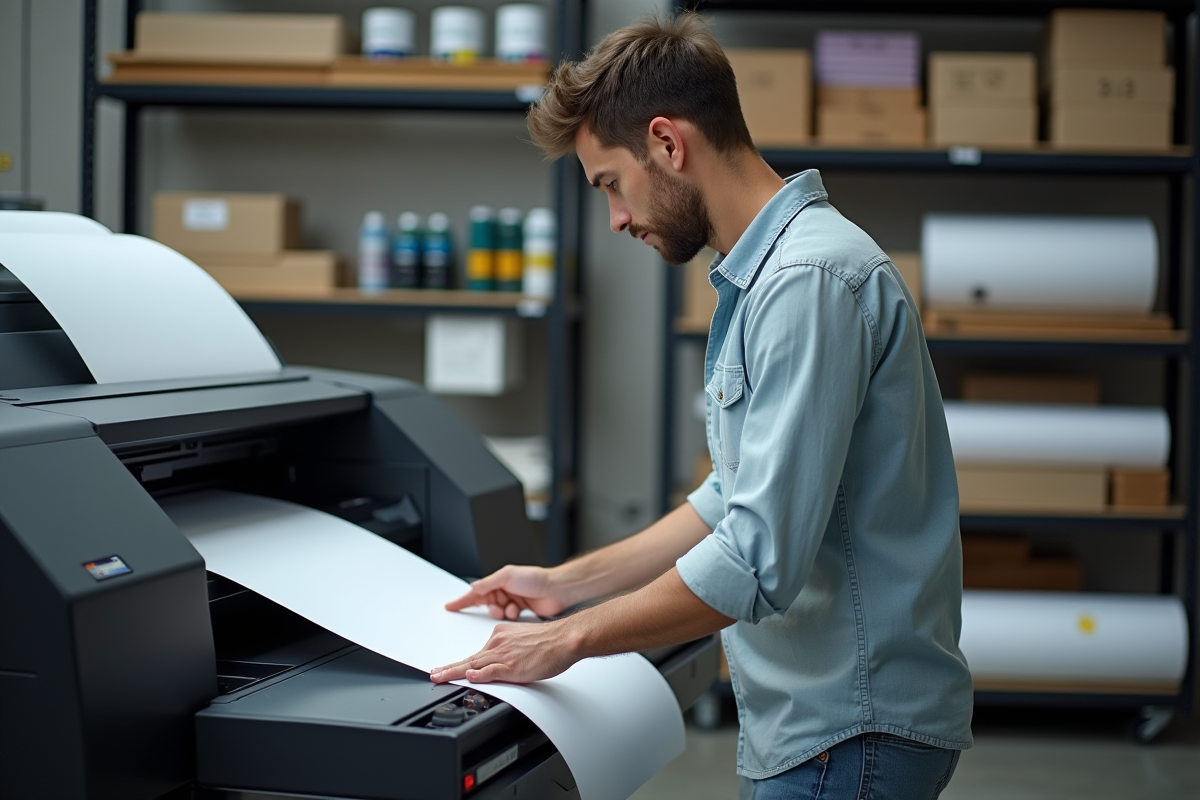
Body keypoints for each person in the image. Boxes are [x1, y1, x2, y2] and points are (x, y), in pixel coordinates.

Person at [431, 13, 973, 798]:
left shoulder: (806, 282)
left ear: (667, 143)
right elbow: (730, 498)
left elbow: (756, 558)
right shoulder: (769, 278)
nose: (617, 218)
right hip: (828, 726)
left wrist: (567, 641)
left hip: (849, 733)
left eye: (610, 184)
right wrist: (566, 584)